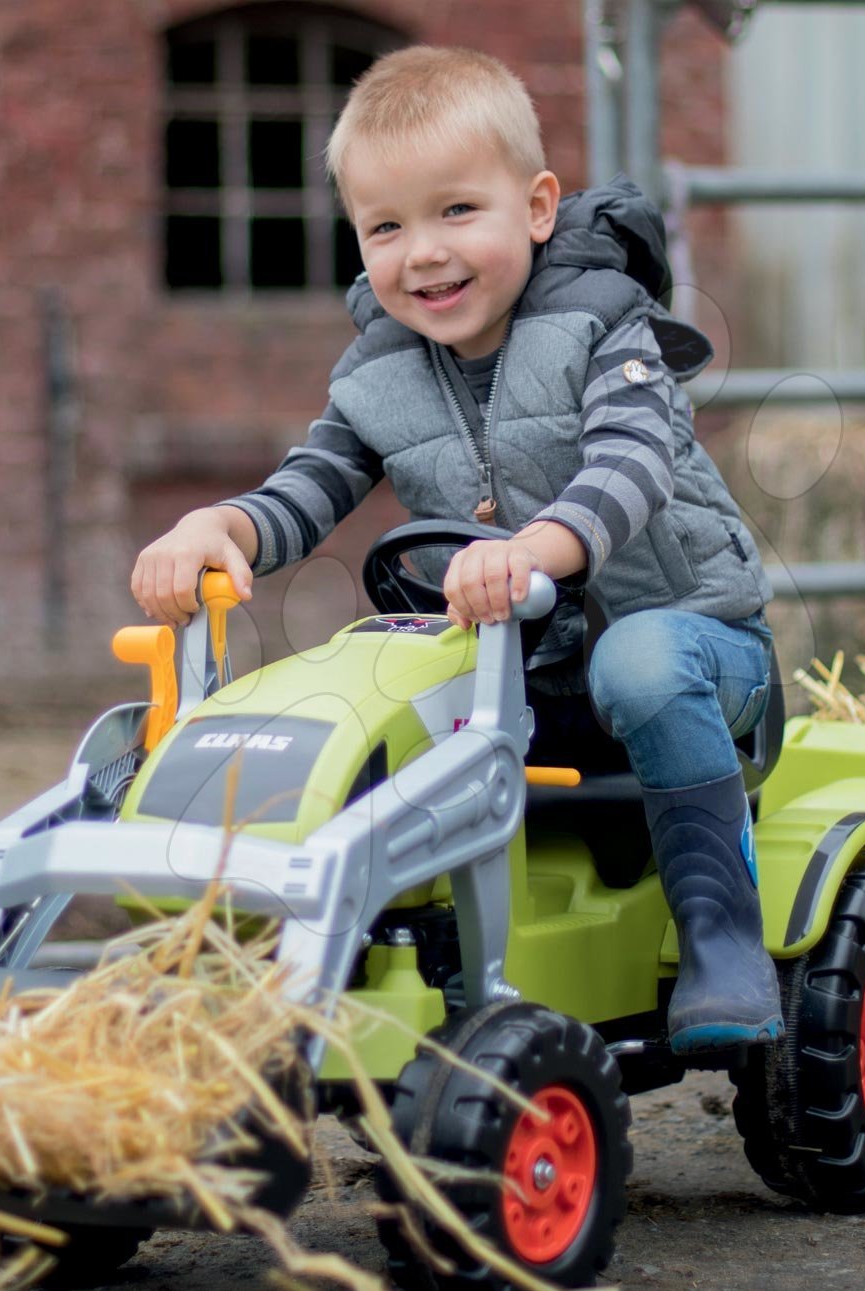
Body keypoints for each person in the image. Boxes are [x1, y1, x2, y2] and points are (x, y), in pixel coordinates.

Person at [131, 46, 781, 1054]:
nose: (422, 253)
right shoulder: (380, 373)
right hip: (514, 680)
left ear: (536, 206)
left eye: (455, 213)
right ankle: (337, 952)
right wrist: (221, 525)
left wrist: (540, 545)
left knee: (639, 658)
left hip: (696, 652)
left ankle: (722, 934)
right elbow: (313, 484)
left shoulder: (609, 327)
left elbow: (632, 461)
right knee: (366, 690)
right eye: (387, 227)